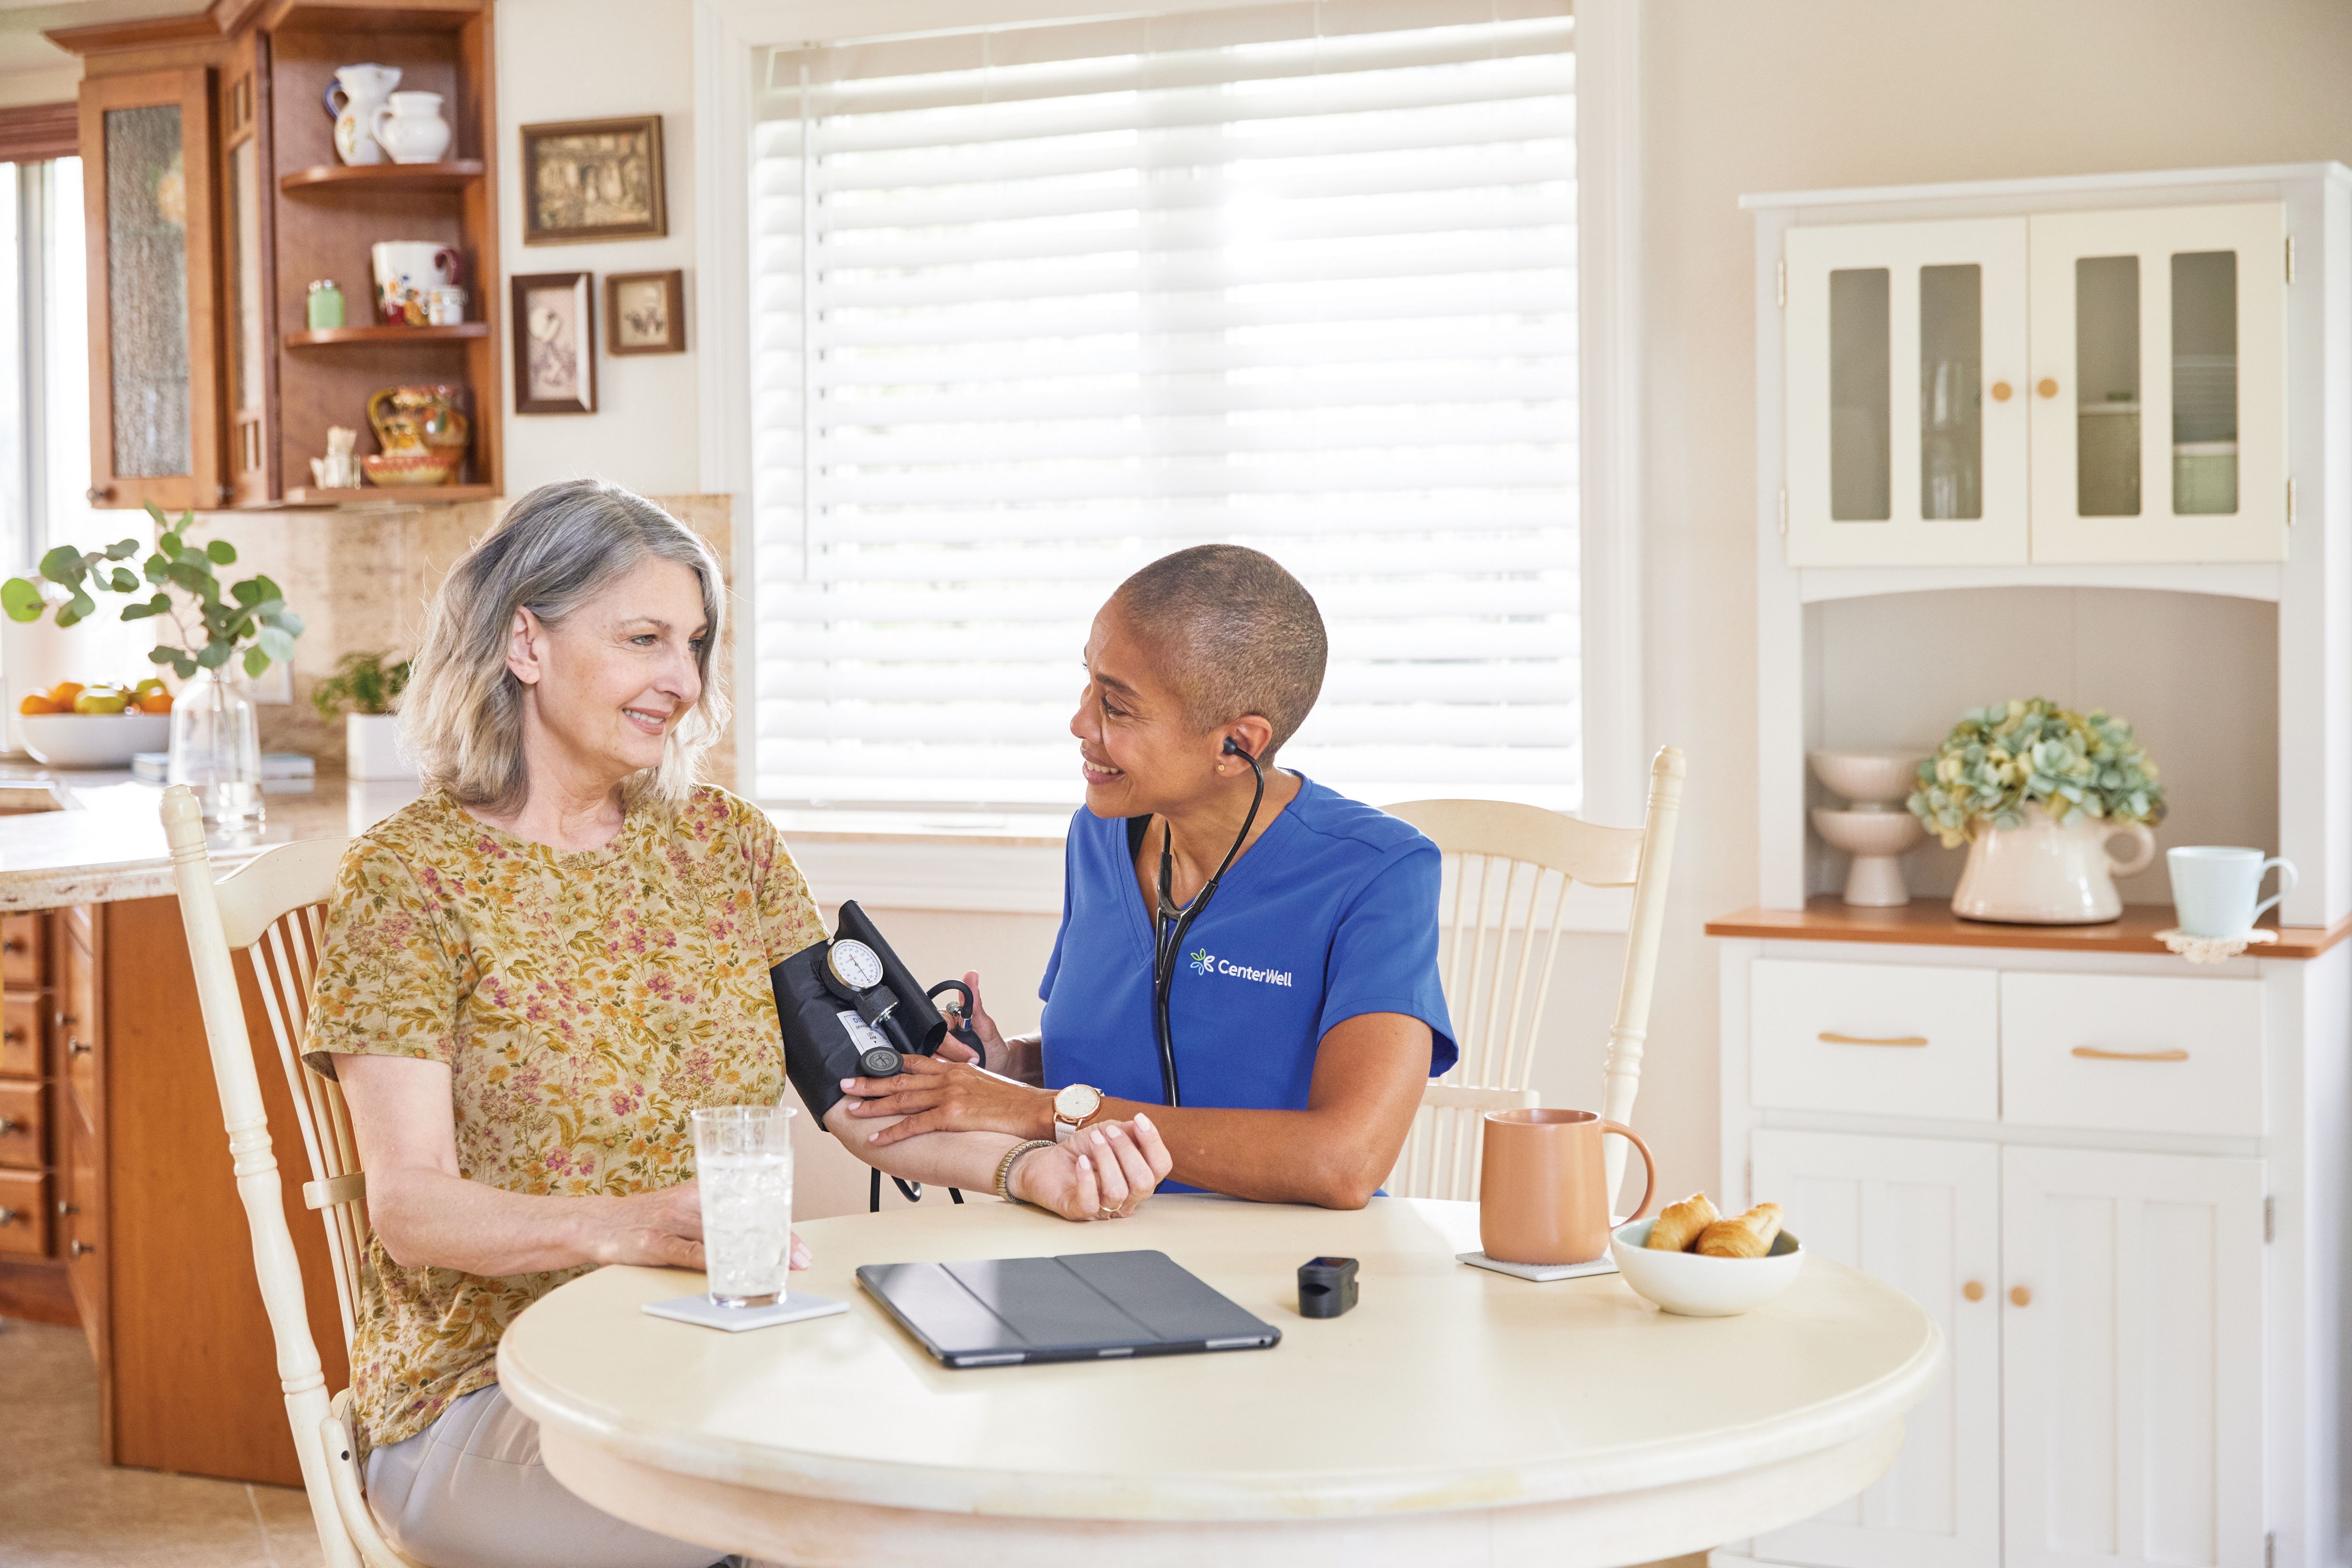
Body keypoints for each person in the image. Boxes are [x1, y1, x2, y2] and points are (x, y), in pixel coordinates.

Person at [305, 480, 1170, 1568]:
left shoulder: (723, 843)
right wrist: (619, 1224)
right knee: (851, 1515)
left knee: (954, 1461)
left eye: (697, 641)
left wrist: (1028, 1168)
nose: (684, 677)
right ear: (525, 640)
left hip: (713, 1348)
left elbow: (862, 1102)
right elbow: (411, 1206)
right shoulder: (410, 877)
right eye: (644, 637)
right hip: (494, 1390)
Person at [837, 545, 1456, 1207]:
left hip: (1291, 1270)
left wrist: (1035, 1110)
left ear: (1236, 745)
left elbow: (1345, 1161)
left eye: (1117, 707)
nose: (1080, 723)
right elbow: (1142, 1041)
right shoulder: (1099, 832)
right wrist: (1006, 1061)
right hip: (1089, 1227)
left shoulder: (1377, 872)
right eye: (1088, 683)